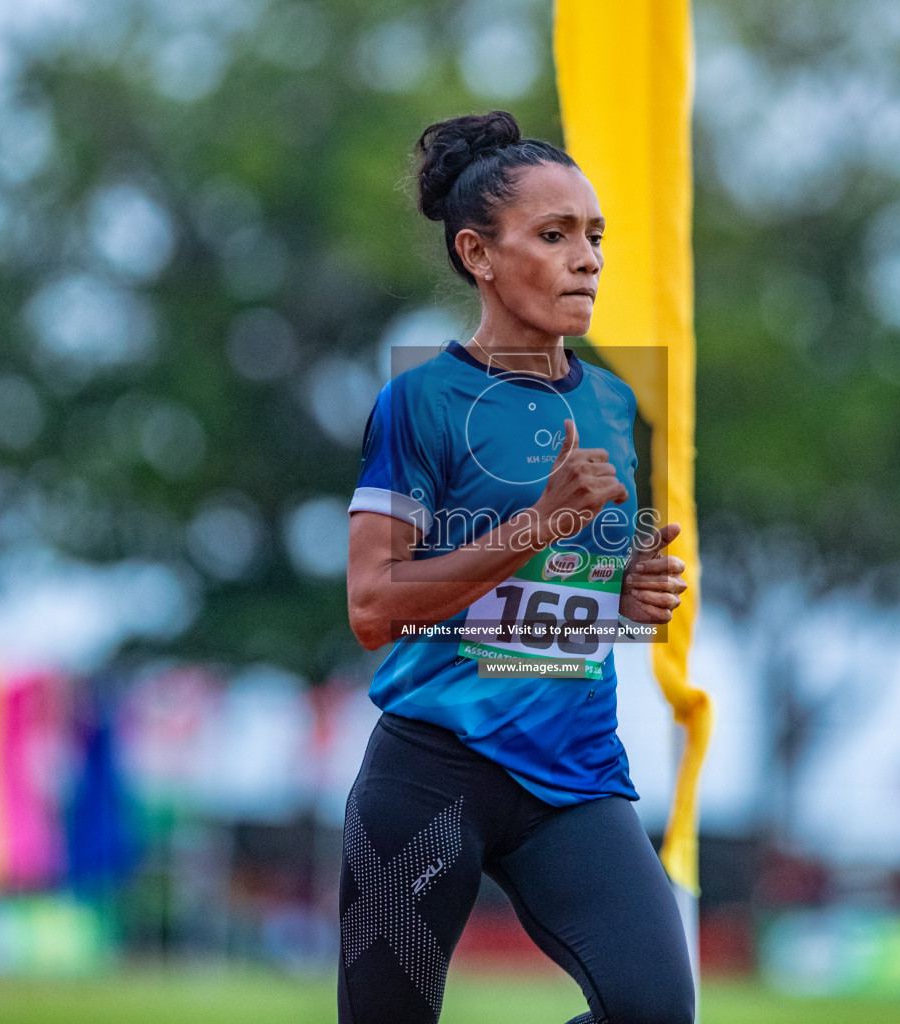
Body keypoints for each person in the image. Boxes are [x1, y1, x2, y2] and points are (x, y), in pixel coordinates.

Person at [342, 110, 694, 1024]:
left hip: (576, 777)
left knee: (655, 1013)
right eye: (554, 235)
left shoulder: (615, 403)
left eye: (594, 236)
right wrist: (538, 524)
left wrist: (626, 595)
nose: (587, 259)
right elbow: (375, 608)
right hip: (432, 768)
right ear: (479, 254)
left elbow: (561, 595)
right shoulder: (419, 402)